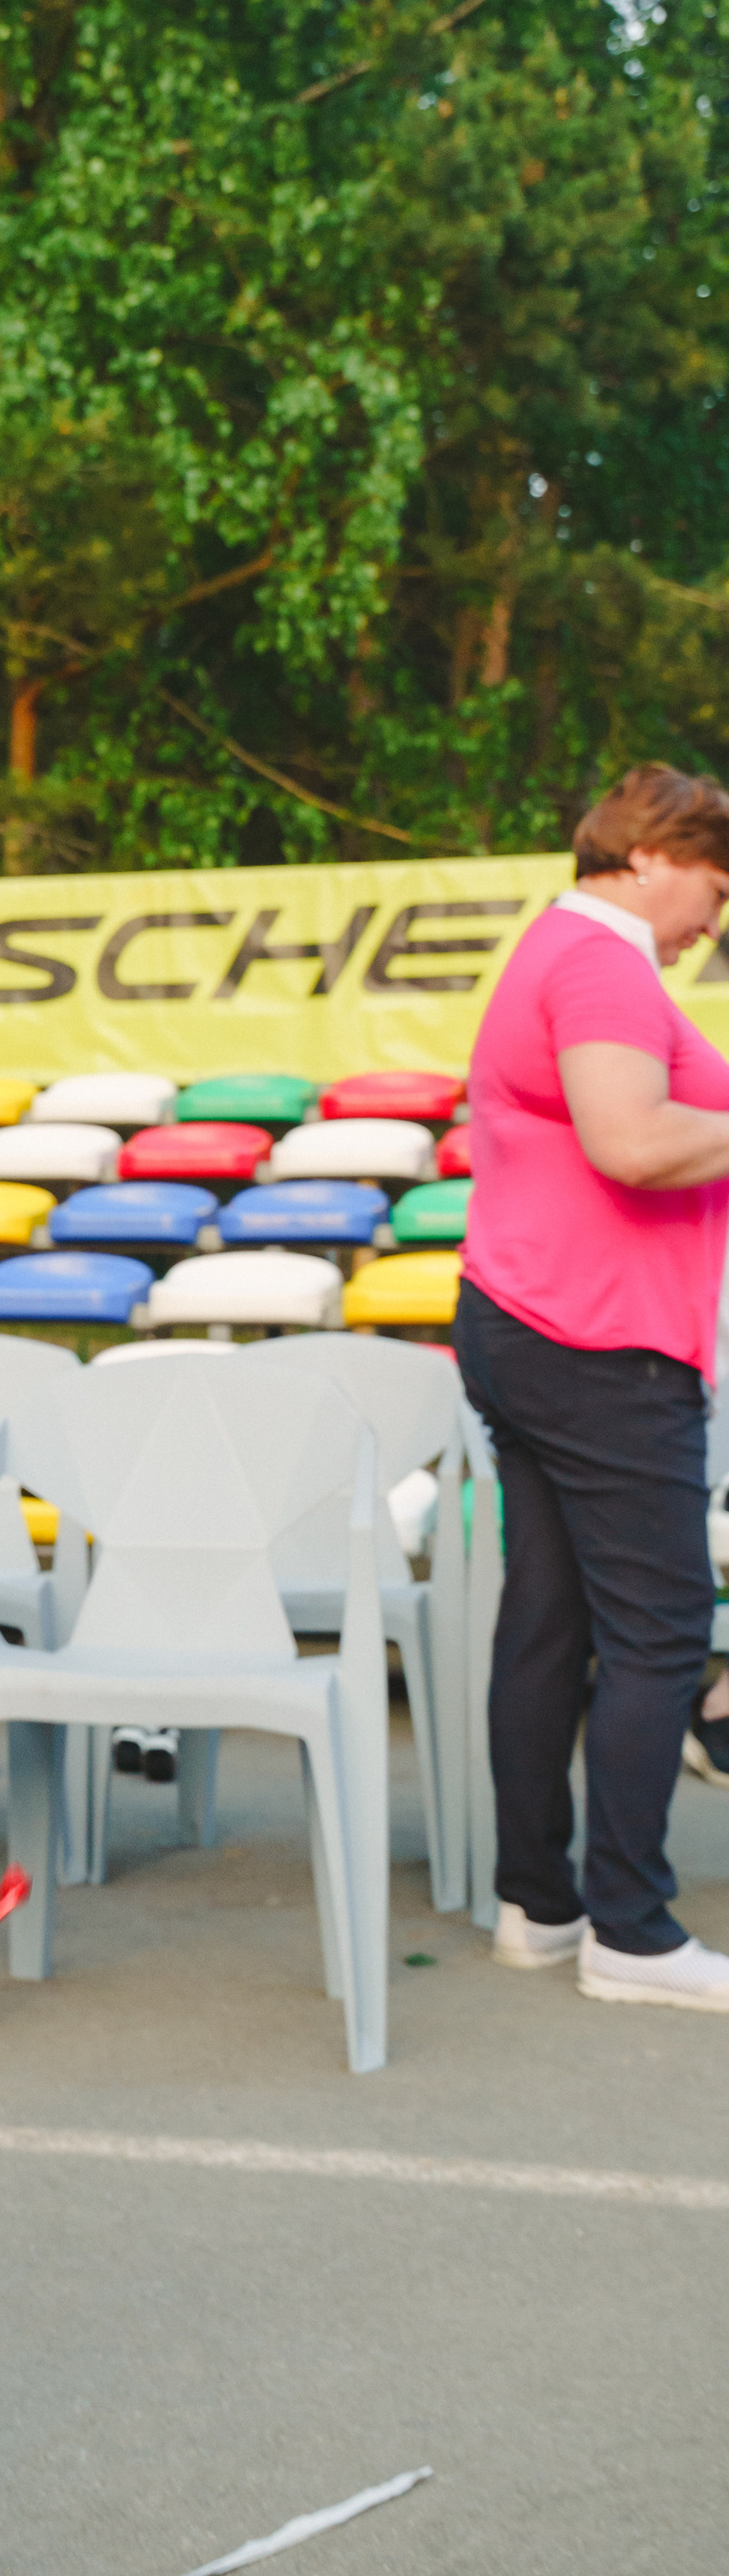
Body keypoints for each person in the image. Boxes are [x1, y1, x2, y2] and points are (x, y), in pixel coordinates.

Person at [456, 762, 729, 2012]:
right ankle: (633, 1929)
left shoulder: (565, 950)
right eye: (716, 891)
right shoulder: (604, 958)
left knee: (551, 1621)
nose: (713, 925)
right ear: (658, 855)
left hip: (537, 1321)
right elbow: (631, 1141)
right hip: (596, 1339)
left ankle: (543, 1905)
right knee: (663, 1630)